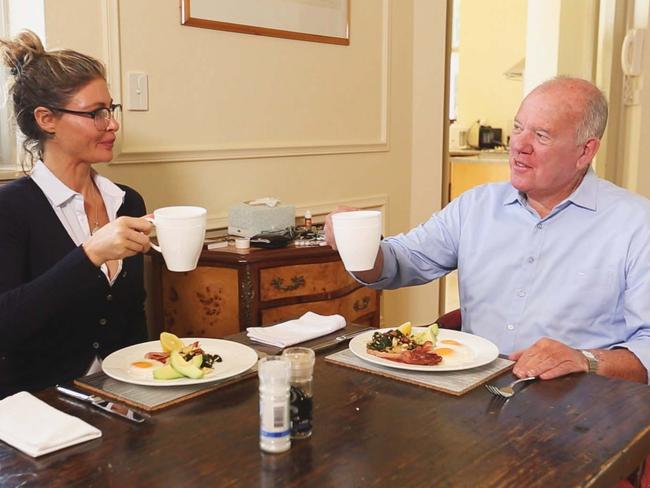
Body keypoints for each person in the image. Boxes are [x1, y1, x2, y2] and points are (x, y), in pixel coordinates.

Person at [326, 77, 650, 384]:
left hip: (578, 407)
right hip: (473, 396)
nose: (518, 145)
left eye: (542, 136)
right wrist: (359, 245)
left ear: (585, 151)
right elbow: (400, 263)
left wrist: (586, 360)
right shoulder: (475, 206)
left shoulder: (636, 224)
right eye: (518, 128)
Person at [0, 31, 154, 397]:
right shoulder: (10, 208)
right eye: (95, 113)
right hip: (37, 408)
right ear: (46, 119)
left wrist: (151, 389)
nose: (112, 124)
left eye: (111, 110)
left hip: (122, 398)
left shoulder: (128, 203)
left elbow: (133, 314)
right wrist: (90, 255)